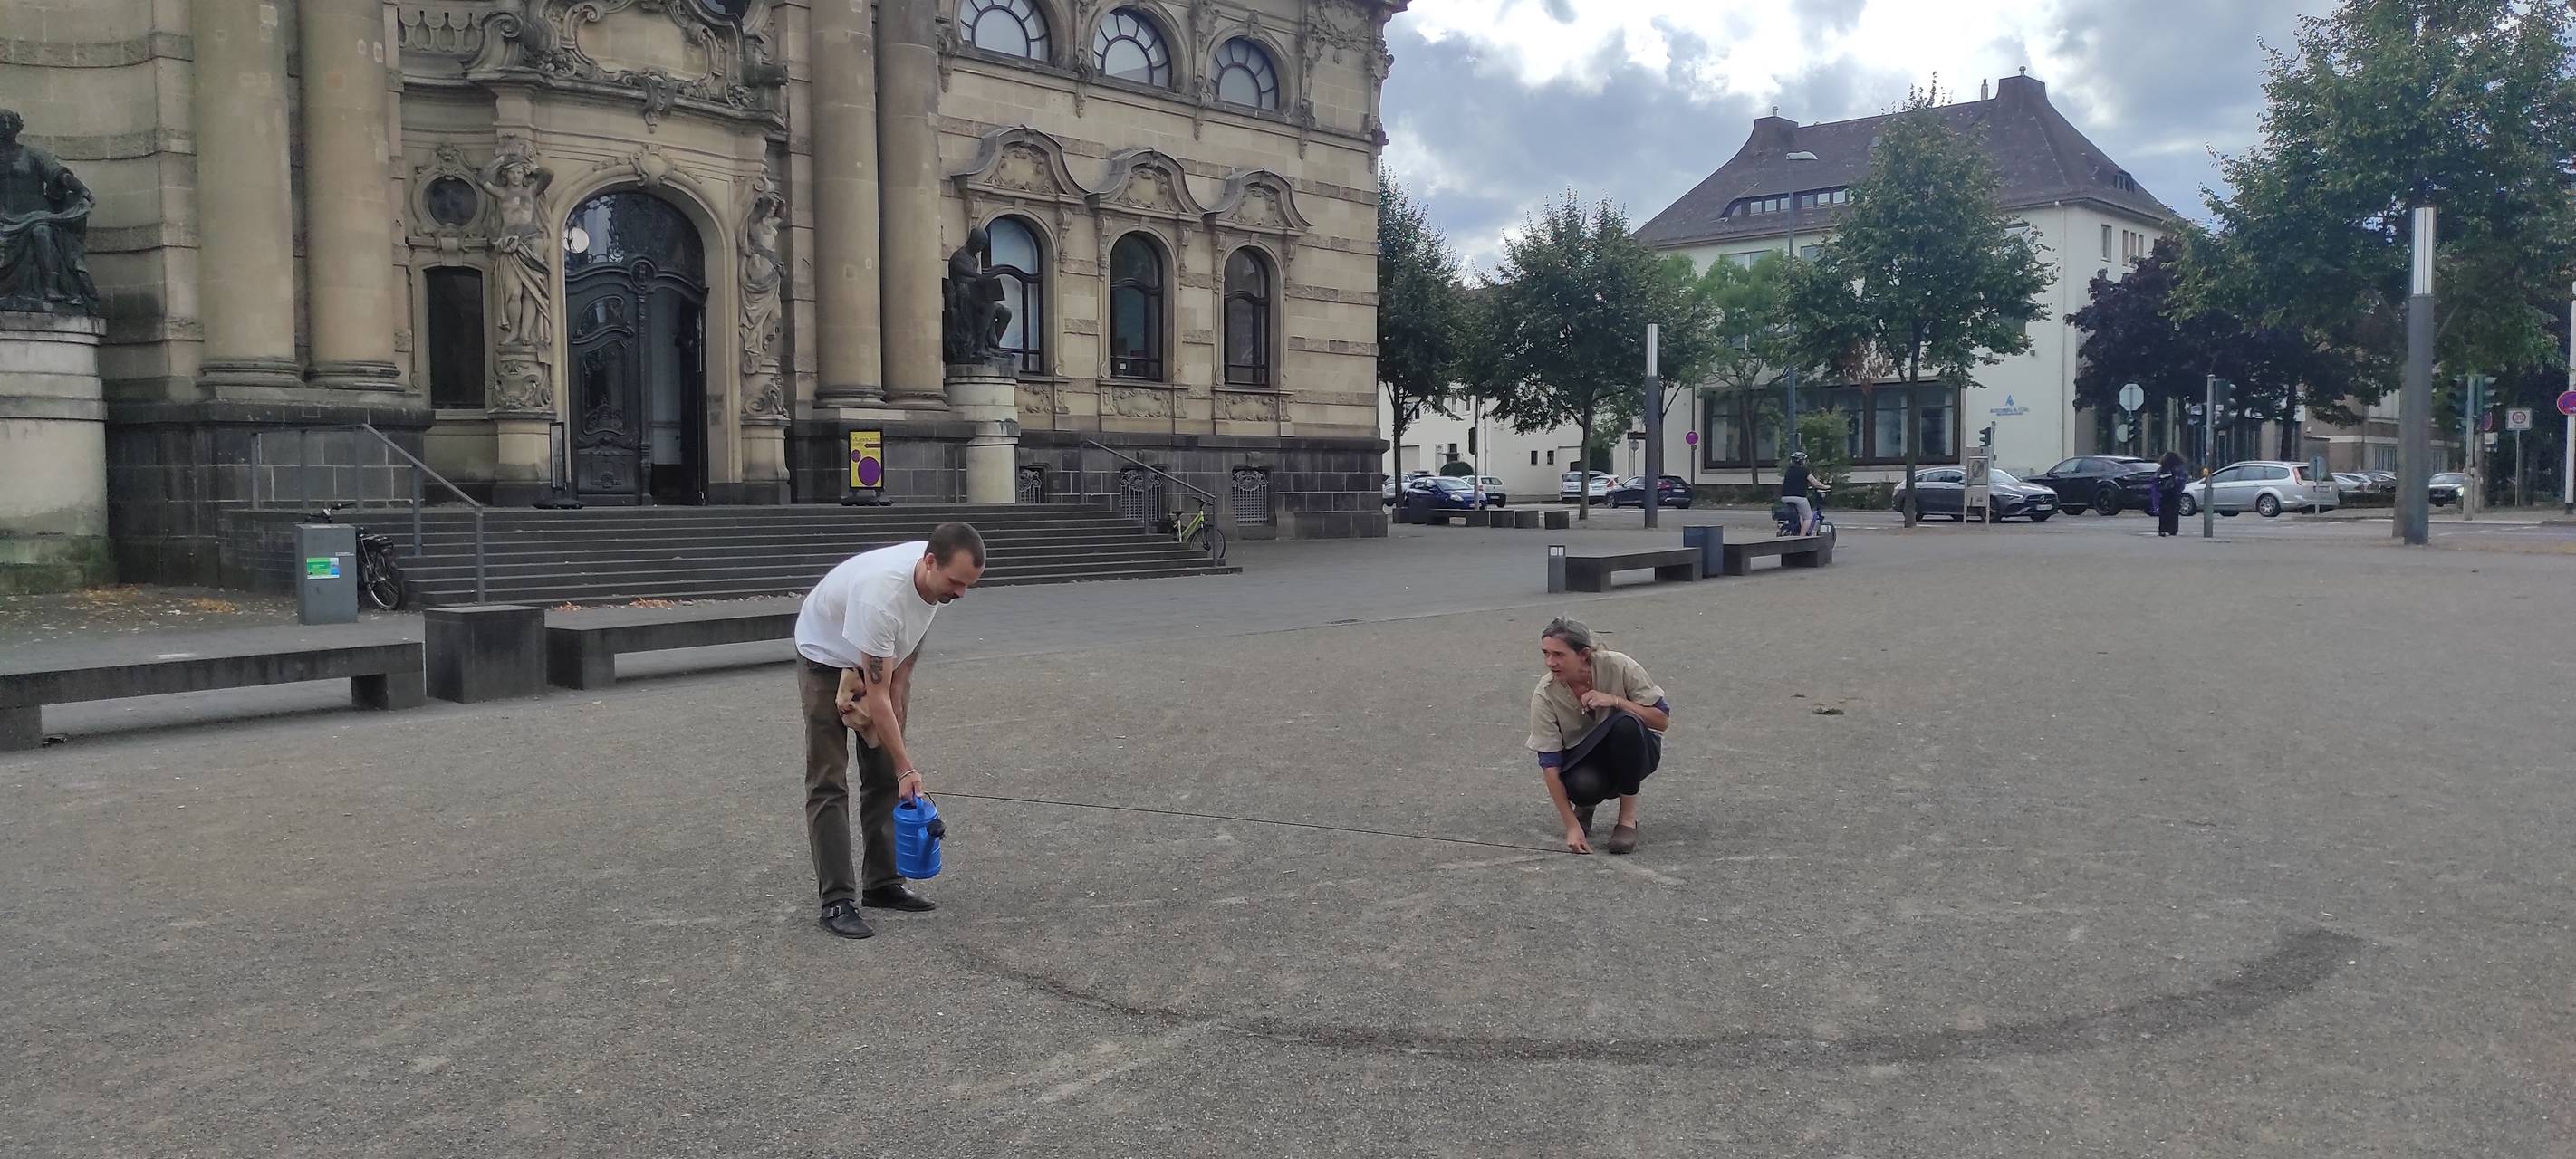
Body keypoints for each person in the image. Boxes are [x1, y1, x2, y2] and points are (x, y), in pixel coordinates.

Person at [793, 522, 986, 940]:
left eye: (968, 585)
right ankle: (836, 900)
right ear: (929, 562)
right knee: (828, 780)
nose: (961, 593)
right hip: (825, 655)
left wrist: (898, 761)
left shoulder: (934, 583)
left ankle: (882, 882)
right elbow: (877, 693)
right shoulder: (882, 597)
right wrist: (906, 767)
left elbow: (899, 677)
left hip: (876, 653)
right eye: (956, 583)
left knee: (884, 774)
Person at [1525, 618, 1670, 856]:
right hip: (1583, 759)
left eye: (1559, 655)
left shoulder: (1619, 665)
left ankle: (1627, 819)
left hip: (1636, 751)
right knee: (1583, 787)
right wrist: (1571, 825)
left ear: (1583, 654)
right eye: (1546, 654)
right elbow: (1549, 764)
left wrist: (1615, 701)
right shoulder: (1545, 693)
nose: (1550, 662)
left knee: (1626, 724)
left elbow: (1661, 721)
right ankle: (1585, 806)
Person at [1779, 450, 1818, 535]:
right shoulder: (1804, 470)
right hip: (1799, 498)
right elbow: (1815, 483)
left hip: (1785, 497)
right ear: (1802, 461)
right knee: (1808, 518)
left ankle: (1795, 530)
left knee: (1800, 514)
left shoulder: (1789, 470)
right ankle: (1801, 537)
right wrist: (1826, 487)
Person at [2153, 451, 2187, 536]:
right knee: (2174, 512)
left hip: (2164, 493)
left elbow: (2155, 479)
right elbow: (2183, 479)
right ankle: (2173, 529)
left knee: (2163, 511)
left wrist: (2158, 489)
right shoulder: (2179, 469)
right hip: (2175, 493)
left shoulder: (2162, 468)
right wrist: (2179, 488)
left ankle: (2162, 529)